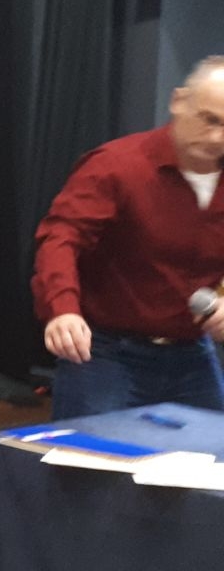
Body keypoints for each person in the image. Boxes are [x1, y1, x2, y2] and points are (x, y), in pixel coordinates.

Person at [33, 55, 224, 418]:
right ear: (179, 101)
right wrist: (63, 310)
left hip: (192, 352)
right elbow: (62, 238)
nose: (217, 138)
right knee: (90, 451)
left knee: (214, 450)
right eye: (209, 119)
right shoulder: (117, 166)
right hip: (109, 353)